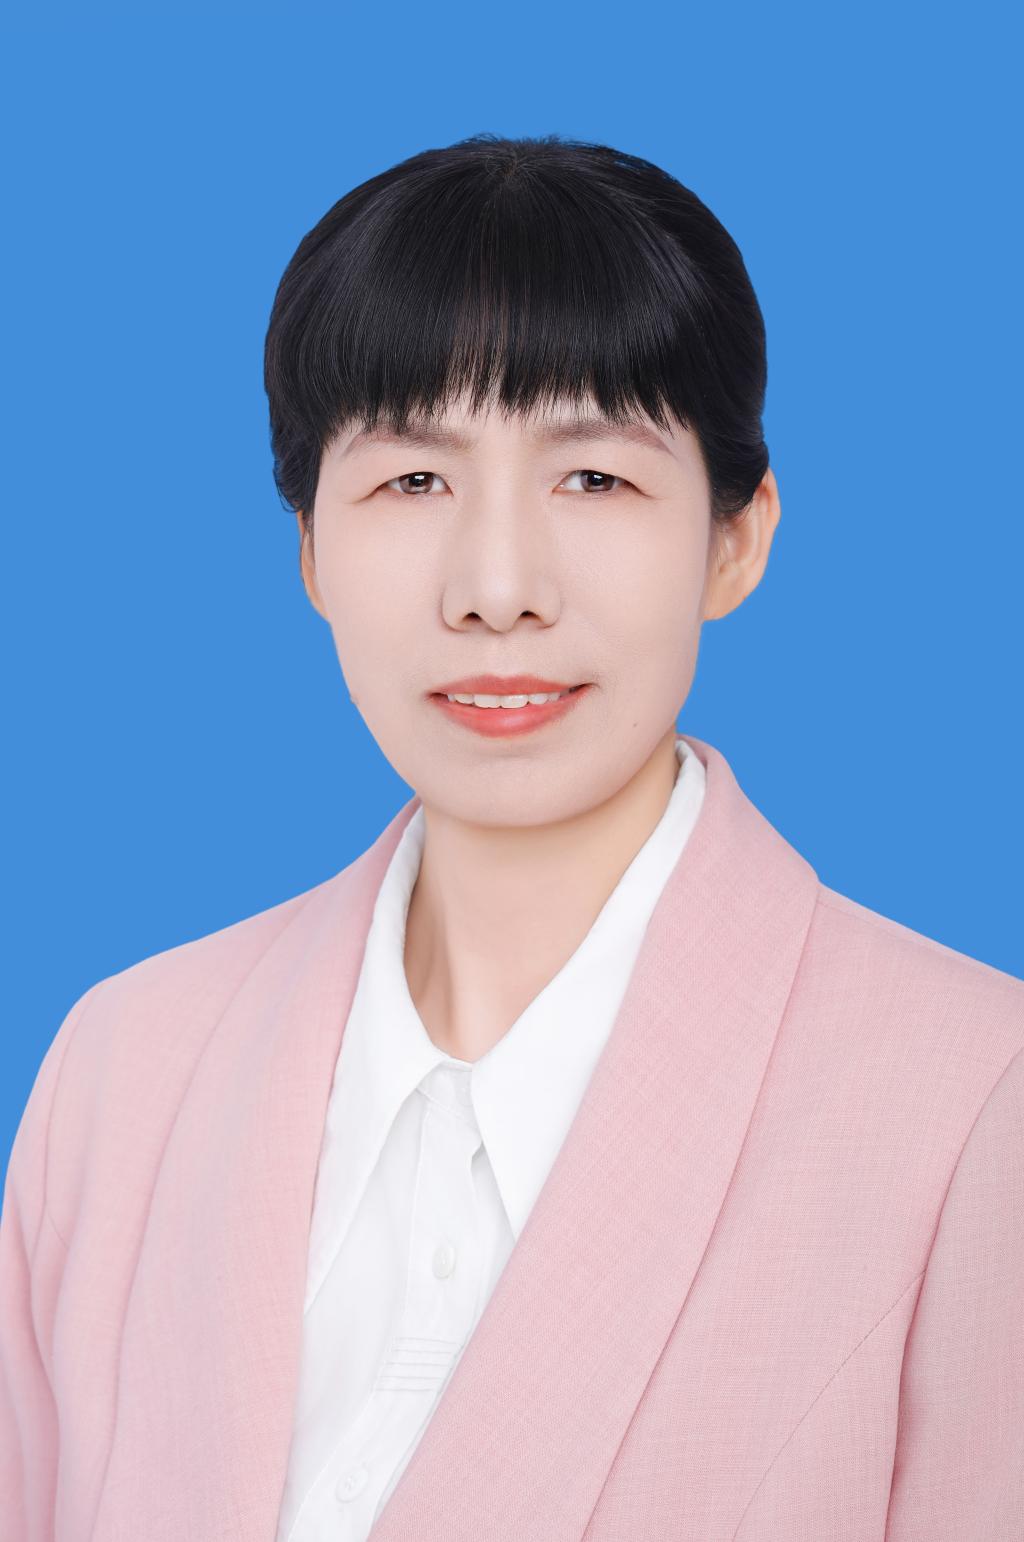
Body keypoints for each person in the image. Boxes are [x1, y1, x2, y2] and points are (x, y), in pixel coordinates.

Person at [2, 132, 1021, 1542]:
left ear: (735, 538)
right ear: (310, 550)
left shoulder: (974, 1101)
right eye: (413, 481)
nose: (496, 587)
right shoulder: (123, 1070)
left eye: (593, 478)